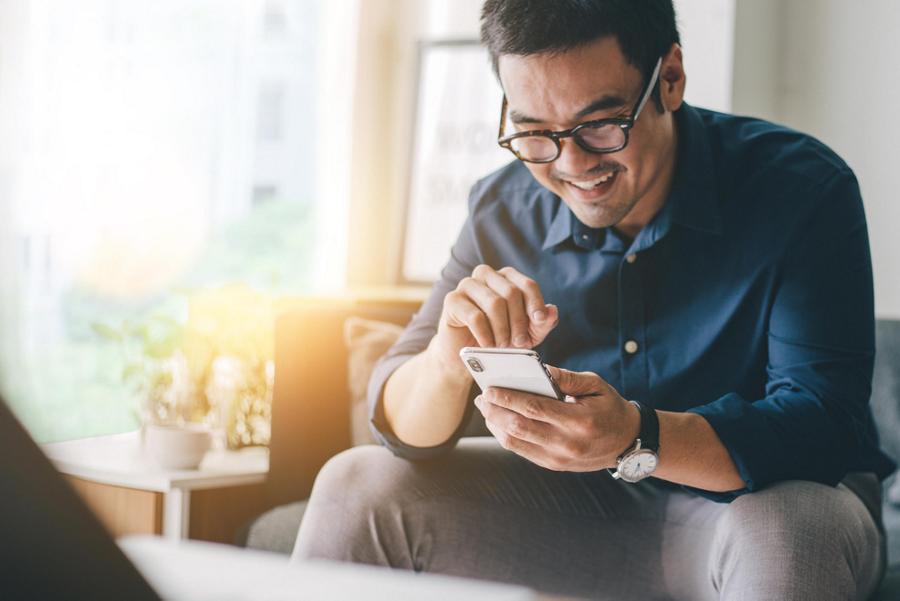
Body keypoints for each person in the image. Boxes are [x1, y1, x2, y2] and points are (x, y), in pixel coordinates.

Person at [292, 1, 895, 598]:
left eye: (601, 125)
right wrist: (447, 365)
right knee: (356, 485)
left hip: (763, 510)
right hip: (579, 518)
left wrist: (637, 437)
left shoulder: (801, 189)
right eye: (533, 131)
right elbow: (398, 424)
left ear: (671, 79)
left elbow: (823, 426)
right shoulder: (502, 209)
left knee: (787, 527)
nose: (572, 164)